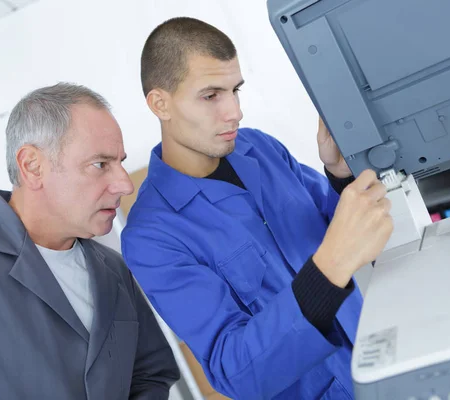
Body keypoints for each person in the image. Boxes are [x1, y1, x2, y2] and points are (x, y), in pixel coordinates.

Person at [120, 17, 393, 399]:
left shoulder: (259, 148)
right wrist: (328, 267)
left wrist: (338, 176)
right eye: (211, 95)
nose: (234, 112)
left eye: (235, 90)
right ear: (160, 103)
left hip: (384, 365)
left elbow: (339, 232)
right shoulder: (151, 237)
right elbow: (236, 373)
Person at [0, 83, 179, 400]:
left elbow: (151, 373)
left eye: (120, 163)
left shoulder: (113, 269)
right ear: (32, 166)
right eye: (100, 164)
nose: (124, 184)